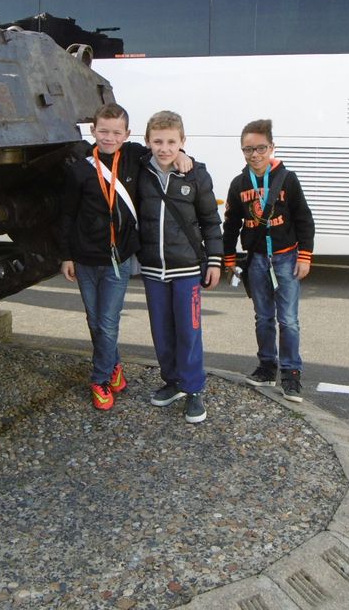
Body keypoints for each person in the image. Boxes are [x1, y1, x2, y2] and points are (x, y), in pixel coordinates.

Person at [56, 103, 191, 411]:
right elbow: (67, 216)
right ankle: (114, 365)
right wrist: (66, 256)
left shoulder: (132, 156)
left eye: (117, 133)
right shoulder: (79, 169)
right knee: (95, 321)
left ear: (127, 134)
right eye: (103, 131)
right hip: (85, 259)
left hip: (118, 260)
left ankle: (100, 379)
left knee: (107, 322)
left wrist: (183, 155)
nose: (109, 138)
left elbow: (163, 151)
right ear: (93, 131)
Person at [137, 111, 223, 424]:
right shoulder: (139, 170)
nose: (165, 148)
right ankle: (172, 381)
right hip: (153, 269)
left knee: (189, 331)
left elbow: (211, 221)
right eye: (158, 141)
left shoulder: (196, 174)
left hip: (187, 269)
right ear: (147, 141)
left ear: (183, 141)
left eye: (172, 142)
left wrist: (215, 260)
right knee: (161, 331)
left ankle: (193, 388)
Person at [223, 119, 315, 403]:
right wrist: (229, 258)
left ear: (272, 147)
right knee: (263, 317)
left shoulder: (287, 179)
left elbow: (304, 219)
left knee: (288, 320)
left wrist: (305, 256)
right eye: (248, 149)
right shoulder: (239, 184)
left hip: (286, 258)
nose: (255, 155)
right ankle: (266, 366)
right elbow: (231, 224)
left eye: (260, 148)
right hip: (257, 260)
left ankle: (291, 373)